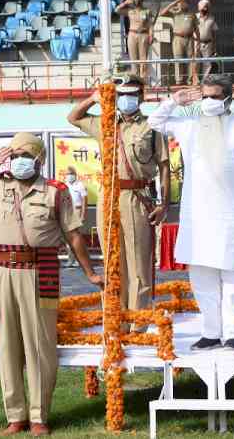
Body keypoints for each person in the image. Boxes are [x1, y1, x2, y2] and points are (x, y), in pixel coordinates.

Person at [0, 132, 103, 437]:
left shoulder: (54, 192)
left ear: (38, 159)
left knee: (39, 345)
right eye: (15, 154)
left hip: (41, 270)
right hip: (2, 271)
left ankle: (38, 416)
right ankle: (16, 416)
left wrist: (90, 272)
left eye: (26, 155)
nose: (20, 160)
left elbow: (74, 234)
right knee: (7, 343)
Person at [148, 74, 234, 351]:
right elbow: (154, 122)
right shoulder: (189, 126)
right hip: (197, 216)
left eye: (215, 96)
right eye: (205, 96)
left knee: (231, 278)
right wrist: (173, 101)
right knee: (201, 278)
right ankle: (211, 332)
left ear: (228, 98)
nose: (209, 101)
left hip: (232, 215)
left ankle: (233, 334)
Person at [68, 76, 170, 319]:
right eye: (122, 94)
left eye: (132, 94)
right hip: (109, 197)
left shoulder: (152, 126)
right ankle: (115, 319)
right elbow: (74, 117)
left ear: (142, 97)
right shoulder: (105, 124)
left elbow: (164, 167)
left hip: (137, 196)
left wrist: (164, 204)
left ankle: (138, 322)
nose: (127, 99)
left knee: (138, 265)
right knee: (113, 262)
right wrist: (95, 98)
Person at [160, 0, 200, 86]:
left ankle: (190, 80)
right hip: (178, 38)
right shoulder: (175, 13)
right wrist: (175, 2)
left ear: (188, 4)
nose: (182, 4)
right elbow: (162, 13)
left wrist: (199, 41)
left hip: (190, 38)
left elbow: (196, 28)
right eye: (180, 3)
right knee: (178, 59)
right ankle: (179, 81)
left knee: (191, 60)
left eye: (184, 3)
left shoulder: (192, 14)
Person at [116, 0, 154, 79]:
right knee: (133, 58)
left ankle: (143, 79)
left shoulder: (147, 11)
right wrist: (125, 3)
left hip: (143, 34)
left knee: (143, 59)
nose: (138, 0)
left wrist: (151, 35)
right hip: (132, 34)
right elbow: (117, 10)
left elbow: (151, 25)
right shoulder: (129, 10)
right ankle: (135, 78)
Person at [63, 166, 88, 267]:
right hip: (67, 212)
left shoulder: (80, 185)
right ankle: (70, 259)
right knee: (68, 237)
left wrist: (83, 214)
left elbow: (85, 201)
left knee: (77, 237)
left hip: (77, 211)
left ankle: (79, 260)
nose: (69, 176)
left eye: (71, 174)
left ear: (74, 174)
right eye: (67, 174)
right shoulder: (64, 185)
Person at [196, 0, 218, 80]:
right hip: (197, 43)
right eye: (203, 7)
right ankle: (195, 81)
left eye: (206, 7)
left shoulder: (212, 19)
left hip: (208, 44)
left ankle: (205, 80)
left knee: (207, 63)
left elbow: (214, 33)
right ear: (199, 8)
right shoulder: (195, 17)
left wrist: (214, 47)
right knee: (196, 62)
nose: (205, 9)